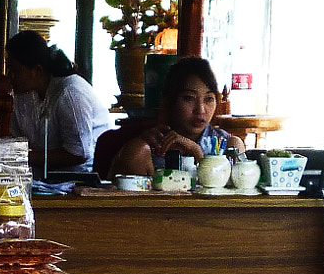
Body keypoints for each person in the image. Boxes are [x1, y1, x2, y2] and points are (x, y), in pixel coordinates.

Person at [94, 55, 244, 181]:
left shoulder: (225, 145)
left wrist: (196, 151)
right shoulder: (149, 147)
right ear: (170, 102)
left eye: (209, 99)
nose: (201, 110)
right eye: (189, 98)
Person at [6, 31, 108, 173]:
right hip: (45, 177)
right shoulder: (22, 96)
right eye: (8, 69)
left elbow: (79, 153)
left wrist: (23, 156)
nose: (9, 76)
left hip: (84, 177)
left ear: (37, 70)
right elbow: (16, 141)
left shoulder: (70, 92)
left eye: (14, 70)